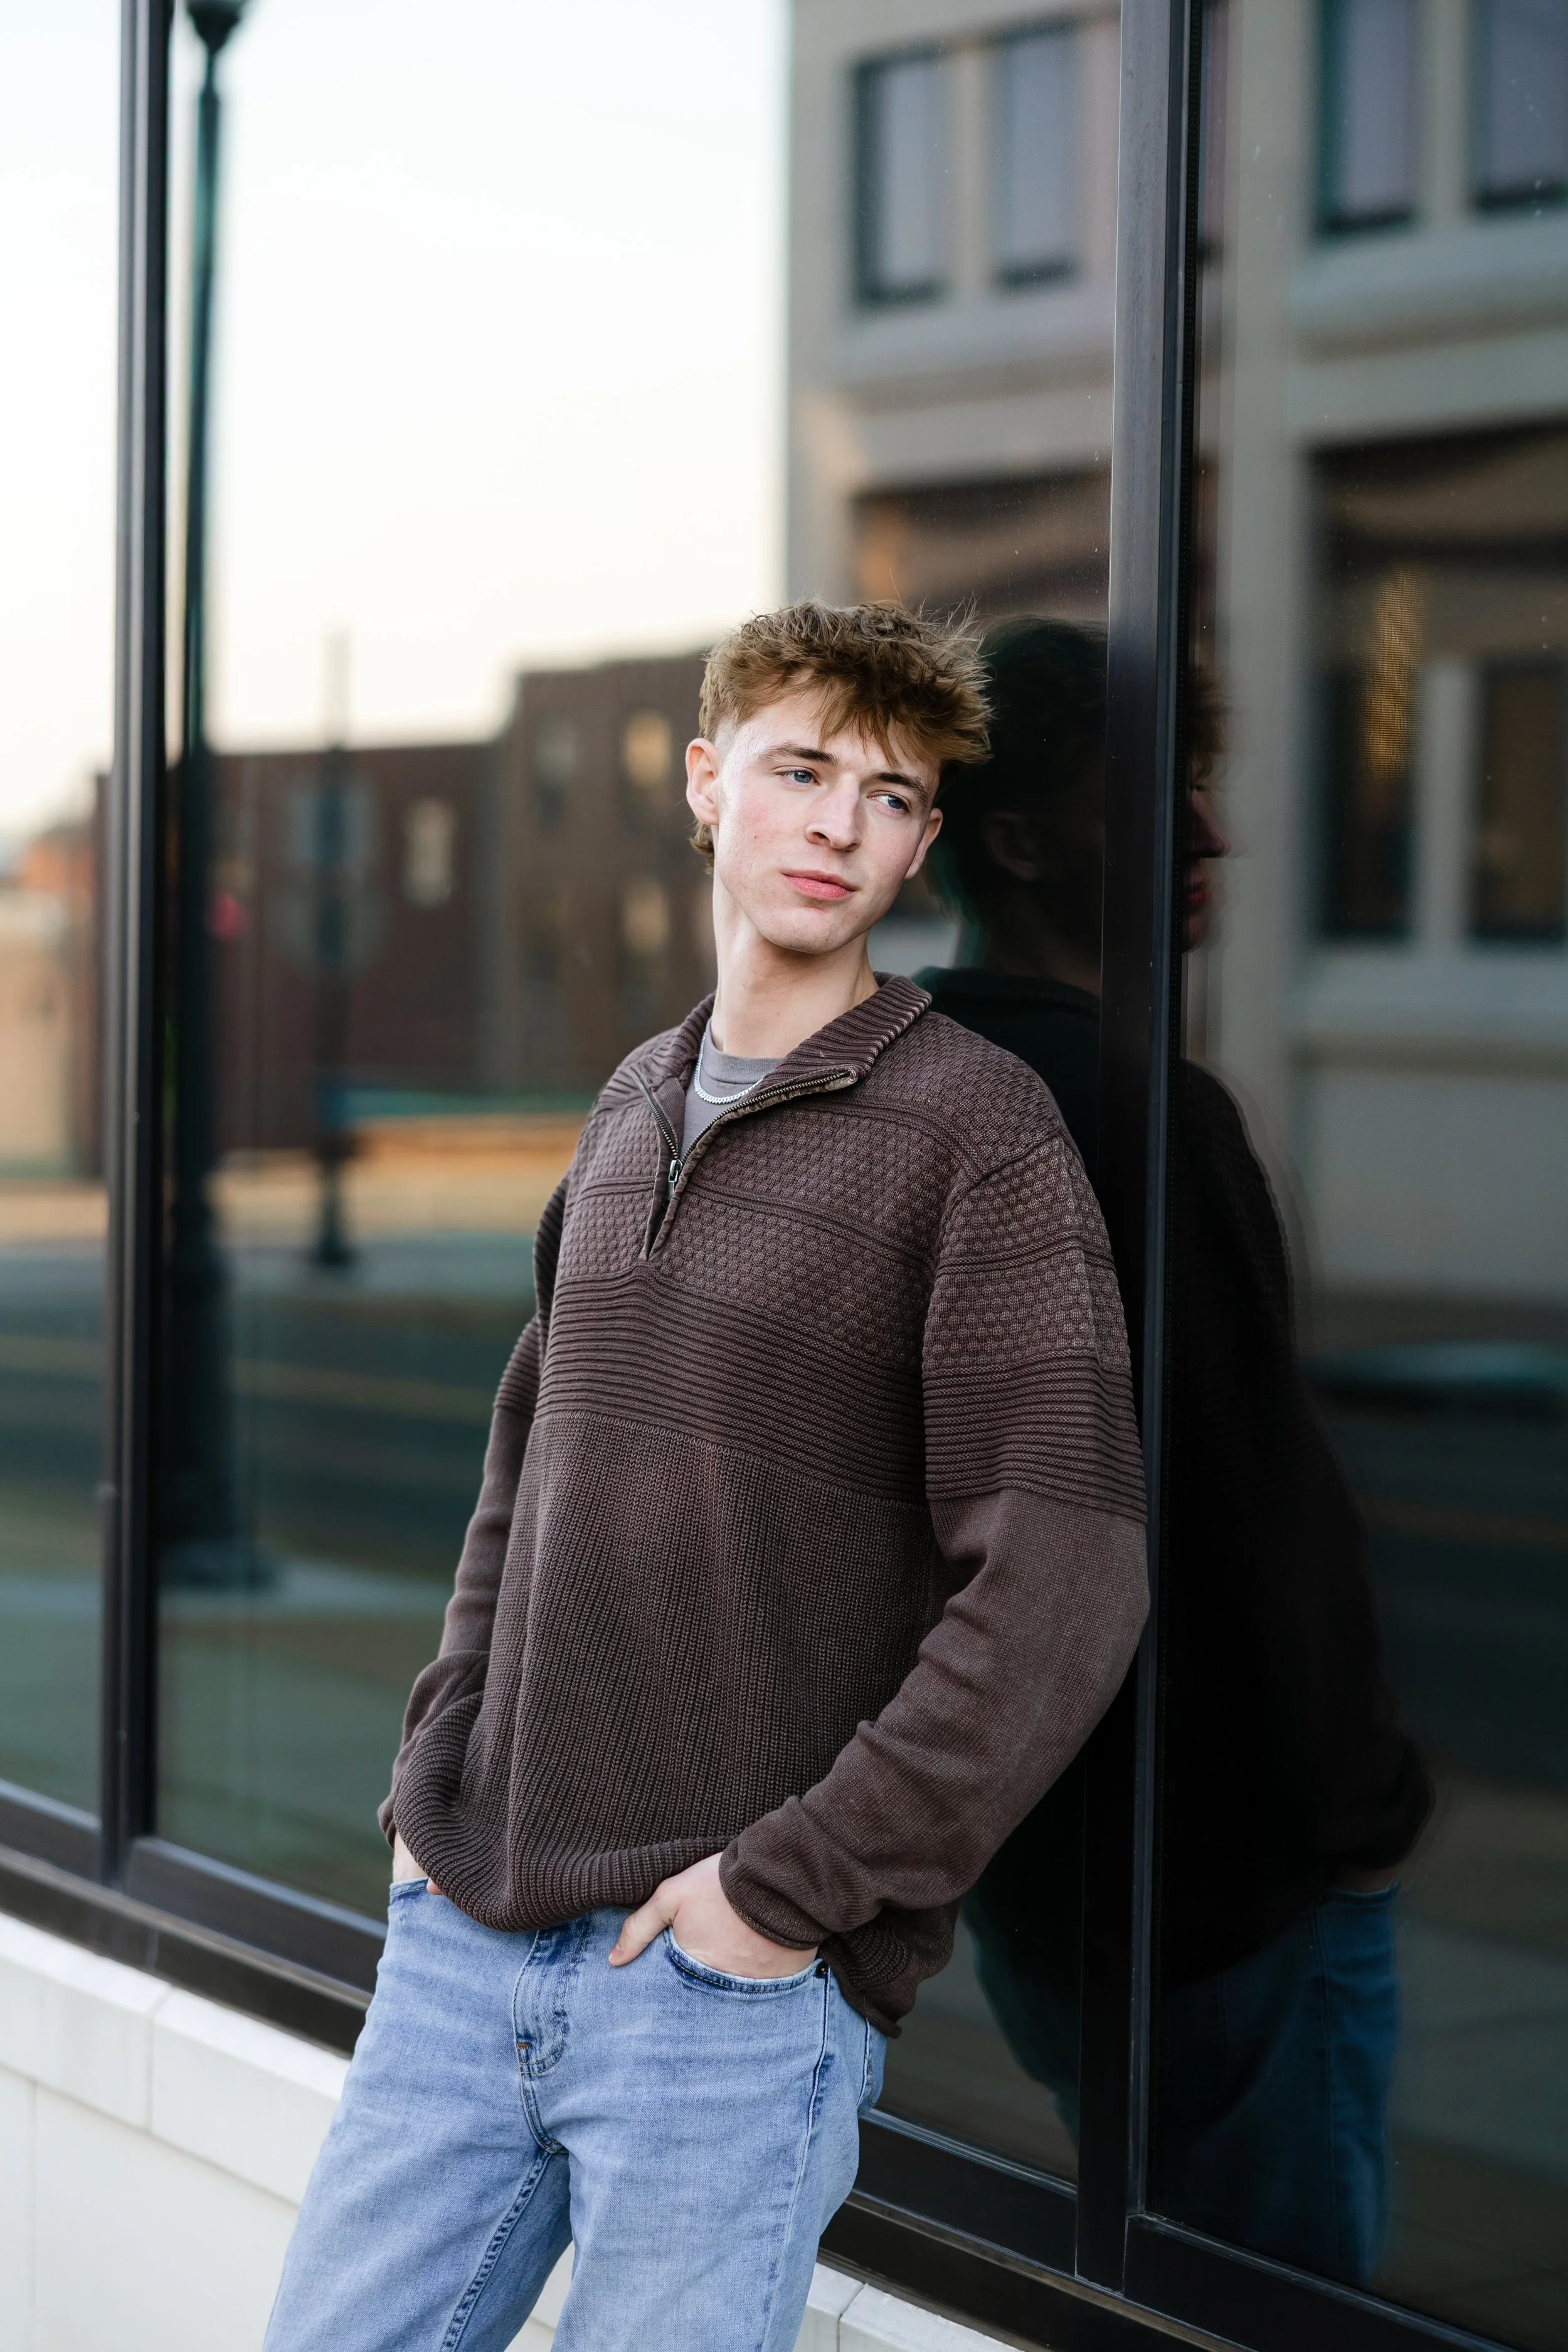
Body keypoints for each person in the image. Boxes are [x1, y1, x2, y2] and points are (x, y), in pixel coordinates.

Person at [263, 601, 1148, 2352]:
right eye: (801, 769)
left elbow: (1066, 1579)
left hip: (722, 2004)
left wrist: (779, 1894)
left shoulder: (976, 1132)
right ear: (703, 782)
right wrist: (432, 1780)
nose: (838, 823)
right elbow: (526, 1468)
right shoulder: (627, 1103)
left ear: (921, 847)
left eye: (889, 797)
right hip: (468, 1944)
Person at [921, 616, 1431, 2286]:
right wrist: (1351, 1820)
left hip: (1054, 1890)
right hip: (1225, 1899)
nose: (1206, 832)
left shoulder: (915, 1086)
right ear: (1014, 841)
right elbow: (1240, 1536)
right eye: (1153, 792)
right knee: (1264, 2304)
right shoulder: (1140, 1118)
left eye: (1200, 779)